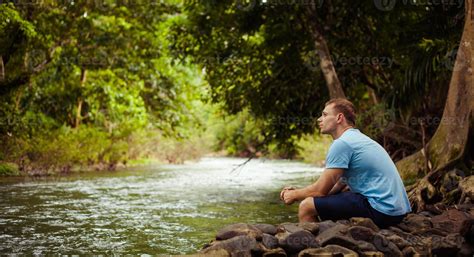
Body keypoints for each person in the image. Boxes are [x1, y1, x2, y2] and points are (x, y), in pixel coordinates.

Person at [280, 98, 411, 228]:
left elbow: (319, 191)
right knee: (321, 201)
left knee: (307, 206)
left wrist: (294, 195)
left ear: (339, 118)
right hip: (398, 211)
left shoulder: (342, 143)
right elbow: (335, 186)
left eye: (324, 115)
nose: (319, 119)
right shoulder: (357, 138)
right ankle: (328, 235)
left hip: (382, 210)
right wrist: (302, 192)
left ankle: (311, 246)